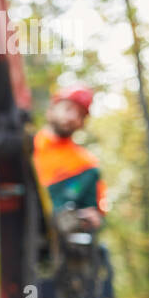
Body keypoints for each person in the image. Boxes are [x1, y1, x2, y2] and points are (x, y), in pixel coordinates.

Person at [32, 85, 107, 229]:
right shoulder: (27, 147)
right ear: (51, 111)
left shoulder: (85, 165)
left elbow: (97, 209)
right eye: (68, 109)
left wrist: (93, 217)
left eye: (80, 115)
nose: (73, 117)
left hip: (58, 230)